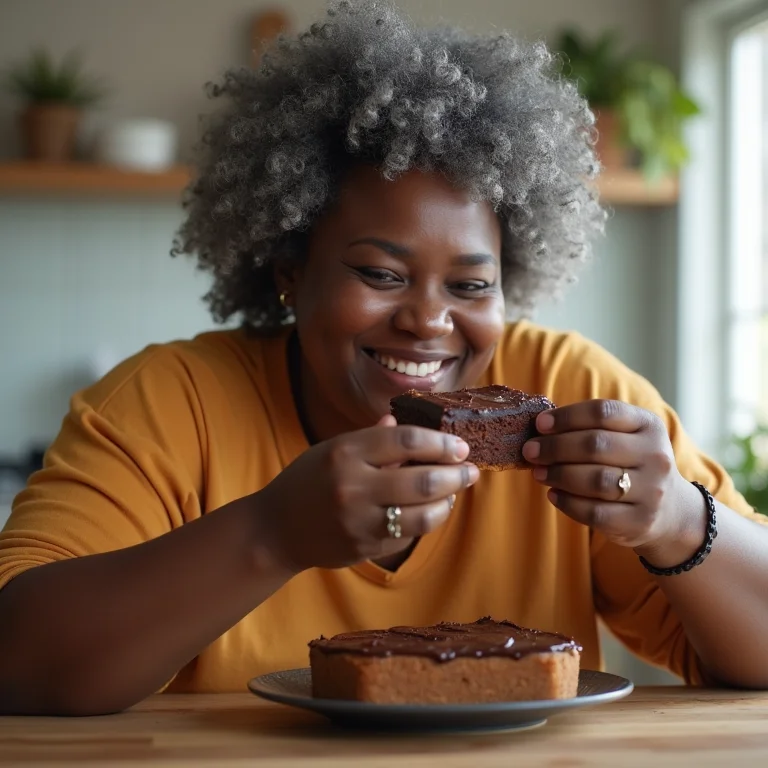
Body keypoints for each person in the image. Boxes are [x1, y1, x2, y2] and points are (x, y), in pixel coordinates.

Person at [1, 0, 767, 717]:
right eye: (380, 274)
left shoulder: (573, 392)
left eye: (470, 284)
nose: (428, 319)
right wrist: (272, 533)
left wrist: (676, 520)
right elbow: (18, 662)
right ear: (289, 269)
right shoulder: (170, 403)